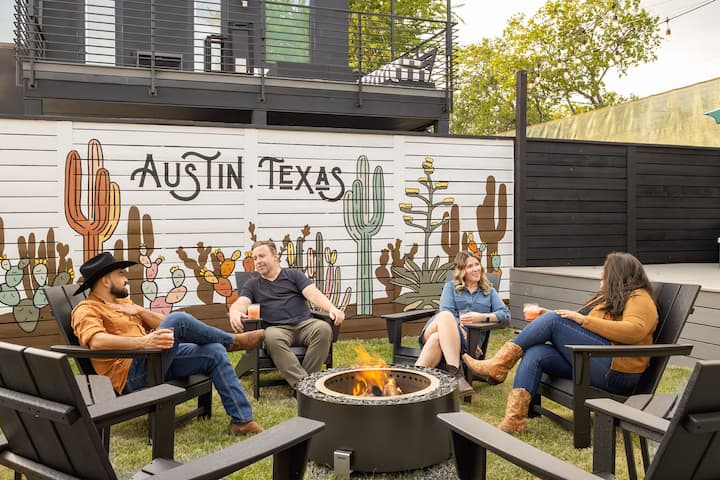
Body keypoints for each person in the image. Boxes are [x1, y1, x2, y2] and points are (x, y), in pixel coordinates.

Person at [71, 252, 266, 436]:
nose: (126, 278)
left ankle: (242, 421)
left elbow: (162, 323)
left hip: (154, 360)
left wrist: (140, 311)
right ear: (106, 280)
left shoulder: (123, 304)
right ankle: (233, 341)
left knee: (214, 350)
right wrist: (144, 341)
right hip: (131, 375)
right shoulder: (86, 309)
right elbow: (96, 341)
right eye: (120, 274)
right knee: (179, 319)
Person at [464, 252, 659, 434]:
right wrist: (546, 315)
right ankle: (514, 420)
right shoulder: (609, 298)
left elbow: (635, 330)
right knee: (537, 352)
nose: (602, 275)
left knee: (553, 321)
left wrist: (581, 320)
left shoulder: (639, 297)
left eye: (606, 271)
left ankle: (499, 364)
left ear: (618, 275)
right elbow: (576, 324)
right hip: (593, 361)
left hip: (617, 373)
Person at [228, 240, 346, 389]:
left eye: (262, 256)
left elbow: (312, 293)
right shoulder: (253, 284)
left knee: (323, 328)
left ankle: (305, 385)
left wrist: (332, 308)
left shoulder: (293, 275)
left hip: (304, 325)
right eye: (255, 258)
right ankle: (305, 387)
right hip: (277, 329)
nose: (257, 261)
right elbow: (242, 302)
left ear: (275, 256)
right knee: (270, 337)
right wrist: (235, 311)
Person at [416, 250, 510, 396]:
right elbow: (445, 314)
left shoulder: (489, 292)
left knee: (436, 339)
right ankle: (458, 376)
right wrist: (463, 334)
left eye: (477, 264)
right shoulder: (450, 287)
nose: (476, 269)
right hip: (442, 329)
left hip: (465, 345)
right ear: (461, 270)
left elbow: (505, 315)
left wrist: (482, 317)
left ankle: (413, 383)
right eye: (470, 266)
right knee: (446, 316)